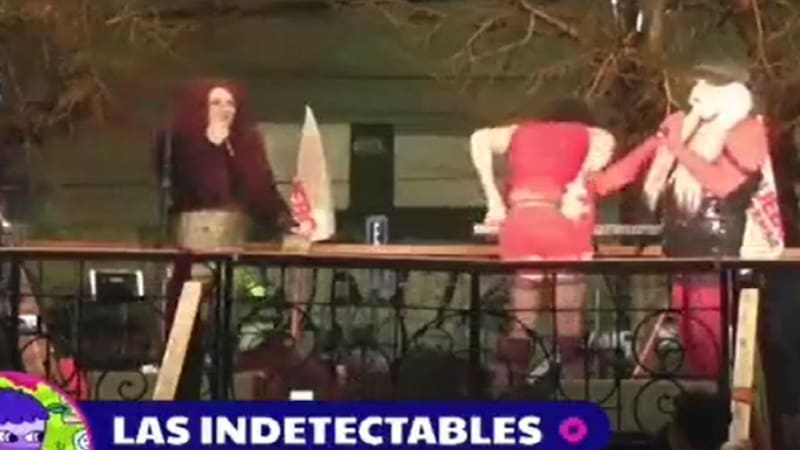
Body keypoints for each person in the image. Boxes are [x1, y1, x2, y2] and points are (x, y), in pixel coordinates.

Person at [592, 61, 784, 378]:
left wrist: (679, 149)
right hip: (681, 250)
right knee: (690, 335)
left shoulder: (747, 130)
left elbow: (724, 185)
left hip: (721, 253)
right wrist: (591, 186)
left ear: (731, 94)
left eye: (708, 85)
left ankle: (719, 395)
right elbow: (642, 157)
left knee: (711, 335)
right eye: (698, 84)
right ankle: (703, 393)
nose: (697, 93)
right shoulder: (684, 123)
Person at [153, 78, 301, 399]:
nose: (224, 109)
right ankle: (185, 401)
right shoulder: (181, 142)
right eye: (216, 102)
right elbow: (182, 181)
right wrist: (210, 146)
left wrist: (286, 221)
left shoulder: (245, 144)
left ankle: (225, 396)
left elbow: (261, 191)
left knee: (232, 326)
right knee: (188, 331)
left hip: (235, 249)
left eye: (230, 103)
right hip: (191, 248)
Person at [469, 97, 616, 389]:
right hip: (564, 225)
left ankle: (508, 393)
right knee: (569, 324)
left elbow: (478, 138)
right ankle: (574, 395)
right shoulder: (594, 134)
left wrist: (493, 200)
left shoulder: (518, 132)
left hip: (521, 221)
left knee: (521, 324)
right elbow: (595, 164)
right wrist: (576, 185)